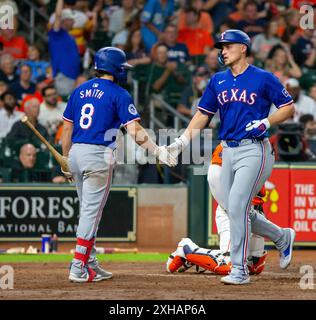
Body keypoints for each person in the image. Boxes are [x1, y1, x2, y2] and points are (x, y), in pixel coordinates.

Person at [166, 29, 296, 285]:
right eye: (221, 46)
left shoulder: (262, 77)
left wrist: (266, 122)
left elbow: (288, 107)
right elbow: (203, 115)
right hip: (227, 149)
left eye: (228, 46)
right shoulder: (218, 80)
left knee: (237, 205)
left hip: (254, 147)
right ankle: (281, 237)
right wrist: (181, 141)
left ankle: (239, 270)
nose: (222, 50)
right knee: (235, 210)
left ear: (244, 47)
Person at [61, 47, 176, 283]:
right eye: (122, 68)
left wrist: (65, 159)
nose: (124, 72)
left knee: (87, 210)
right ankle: (77, 266)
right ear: (114, 68)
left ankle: (90, 262)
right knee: (91, 214)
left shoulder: (79, 90)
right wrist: (157, 151)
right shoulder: (119, 93)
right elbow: (134, 130)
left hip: (75, 153)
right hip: (97, 155)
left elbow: (66, 129)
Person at [167, 143, 268, 276]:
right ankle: (187, 249)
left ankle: (200, 257)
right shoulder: (234, 142)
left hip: (254, 210)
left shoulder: (259, 146)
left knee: (254, 265)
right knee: (230, 265)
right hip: (233, 210)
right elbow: (216, 176)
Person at [48, 0, 81, 96]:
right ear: (64, 20)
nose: (73, 21)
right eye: (71, 19)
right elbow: (58, 15)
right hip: (63, 75)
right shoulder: (56, 34)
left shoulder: (69, 36)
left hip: (73, 76)